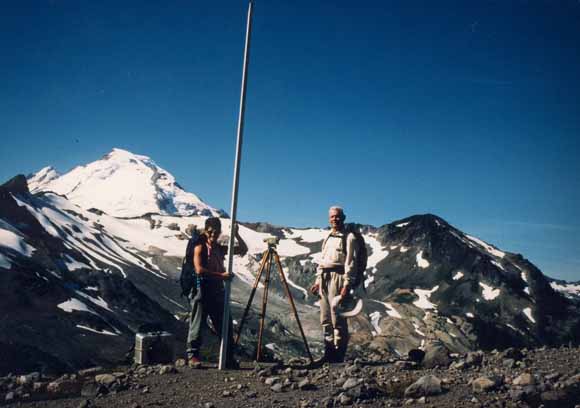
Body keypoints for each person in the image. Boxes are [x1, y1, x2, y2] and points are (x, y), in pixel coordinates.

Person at [186, 217, 248, 368]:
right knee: (198, 323)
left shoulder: (219, 248)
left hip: (217, 290)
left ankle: (228, 357)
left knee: (224, 324)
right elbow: (199, 269)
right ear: (206, 230)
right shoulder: (200, 247)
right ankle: (192, 356)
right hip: (202, 290)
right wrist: (221, 276)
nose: (213, 234)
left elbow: (243, 250)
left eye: (216, 231)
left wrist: (236, 235)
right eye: (211, 231)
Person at [310, 206, 356, 363]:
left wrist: (346, 285)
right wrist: (317, 281)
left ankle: (339, 355)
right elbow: (322, 261)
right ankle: (328, 353)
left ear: (343, 218)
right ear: (328, 219)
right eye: (331, 217)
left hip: (338, 277)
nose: (334, 219)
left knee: (338, 318)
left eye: (337, 216)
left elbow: (350, 263)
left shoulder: (349, 238)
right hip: (324, 278)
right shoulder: (327, 237)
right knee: (325, 317)